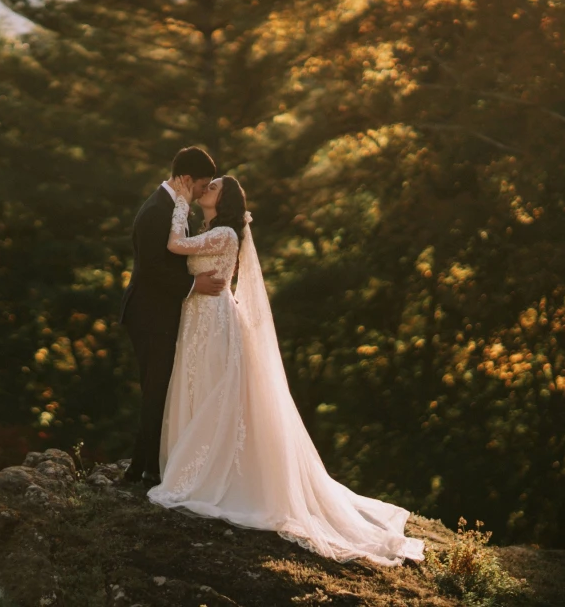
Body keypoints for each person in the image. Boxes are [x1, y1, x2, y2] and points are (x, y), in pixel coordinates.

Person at [146, 175, 426, 566]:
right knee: (197, 384)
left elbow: (175, 245)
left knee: (214, 389)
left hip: (215, 320)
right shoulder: (209, 229)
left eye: (213, 187)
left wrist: (177, 202)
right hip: (196, 318)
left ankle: (209, 472)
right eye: (205, 186)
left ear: (223, 200)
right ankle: (195, 462)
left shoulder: (225, 232)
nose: (205, 189)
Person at [117, 146, 224, 486]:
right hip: (149, 315)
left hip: (162, 313)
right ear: (187, 179)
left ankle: (152, 465)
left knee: (163, 389)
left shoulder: (176, 208)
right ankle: (139, 471)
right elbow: (151, 270)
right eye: (201, 185)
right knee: (155, 389)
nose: (203, 192)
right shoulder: (155, 212)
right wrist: (195, 284)